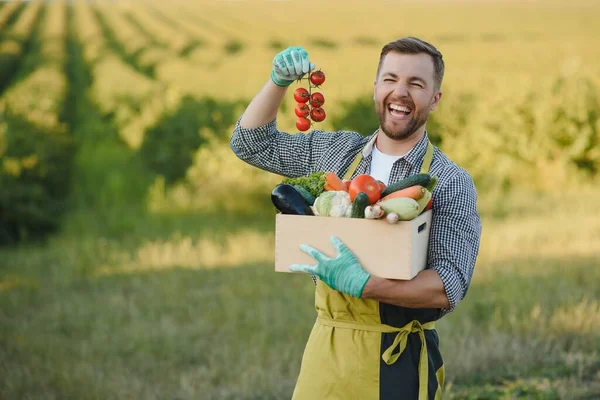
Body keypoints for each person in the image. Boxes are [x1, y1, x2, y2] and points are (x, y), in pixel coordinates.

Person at [229, 37, 482, 400]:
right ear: (376, 88)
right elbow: (250, 144)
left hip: (396, 362)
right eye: (391, 79)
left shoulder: (450, 181)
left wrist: (365, 284)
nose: (401, 93)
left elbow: (447, 286)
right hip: (327, 353)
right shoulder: (334, 152)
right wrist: (278, 82)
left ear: (435, 98)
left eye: (416, 84)